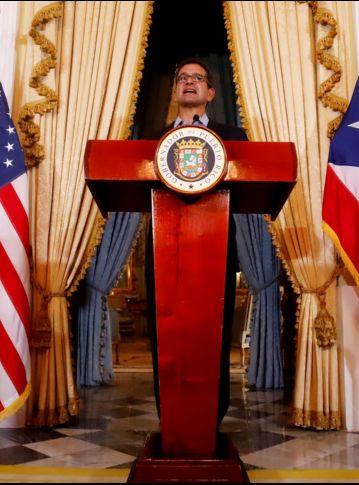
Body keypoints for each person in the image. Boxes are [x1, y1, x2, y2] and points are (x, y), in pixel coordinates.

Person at [145, 58, 247, 428]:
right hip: (163, 250)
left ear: (211, 92)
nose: (189, 82)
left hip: (215, 249)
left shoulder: (233, 138)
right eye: (182, 78)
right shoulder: (152, 140)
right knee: (167, 335)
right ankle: (170, 418)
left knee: (211, 336)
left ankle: (211, 420)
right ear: (175, 90)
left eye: (197, 78)